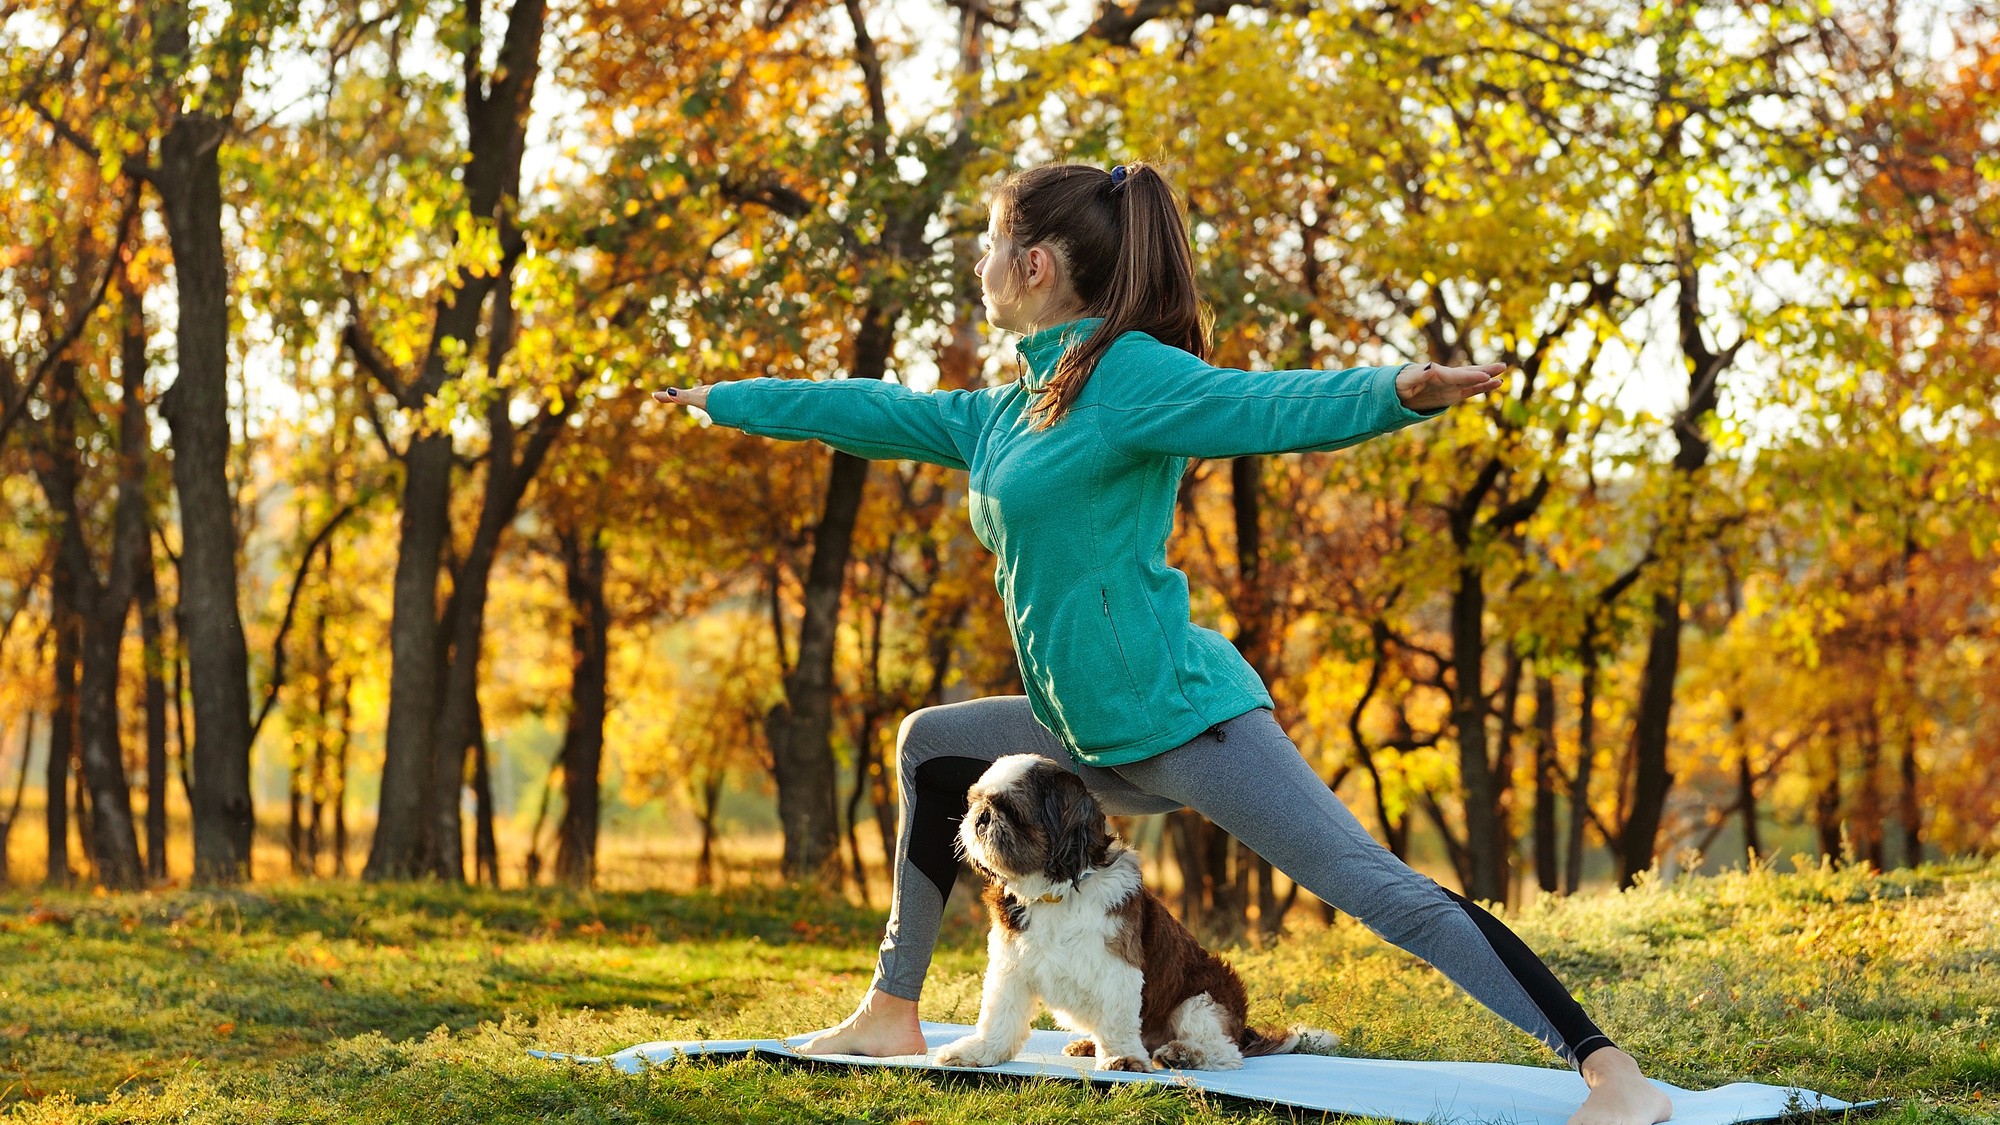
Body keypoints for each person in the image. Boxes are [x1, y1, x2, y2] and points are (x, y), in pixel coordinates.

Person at [653, 161, 1674, 1125]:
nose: (977, 267)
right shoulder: (1012, 409)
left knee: (1382, 894)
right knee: (933, 743)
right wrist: (734, 403)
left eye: (986, 246)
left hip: (1186, 725)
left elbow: (1254, 403)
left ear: (1035, 265)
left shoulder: (1127, 379)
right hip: (1085, 735)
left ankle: (1610, 1073)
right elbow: (879, 411)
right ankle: (890, 1012)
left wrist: (1389, 393)